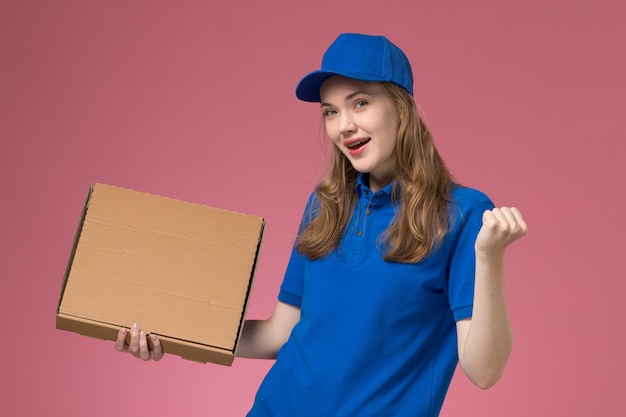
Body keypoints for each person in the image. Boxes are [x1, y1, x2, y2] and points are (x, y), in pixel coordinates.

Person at [115, 33, 528, 416]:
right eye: (330, 111)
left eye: (360, 103)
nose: (343, 125)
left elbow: (484, 371)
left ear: (401, 109)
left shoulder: (462, 213)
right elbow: (279, 335)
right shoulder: (324, 205)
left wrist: (489, 258)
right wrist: (172, 333)